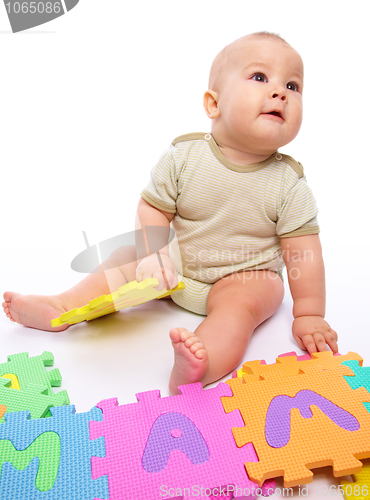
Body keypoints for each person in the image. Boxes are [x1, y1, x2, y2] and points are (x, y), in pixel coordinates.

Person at [2, 32, 338, 396]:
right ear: (214, 104)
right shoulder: (183, 156)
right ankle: (62, 306)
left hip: (245, 274)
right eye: (260, 78)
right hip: (174, 267)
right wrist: (155, 257)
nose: (280, 92)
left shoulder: (289, 184)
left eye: (293, 84)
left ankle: (202, 361)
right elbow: (152, 209)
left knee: (243, 306)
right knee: (124, 257)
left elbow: (304, 251)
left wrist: (308, 313)